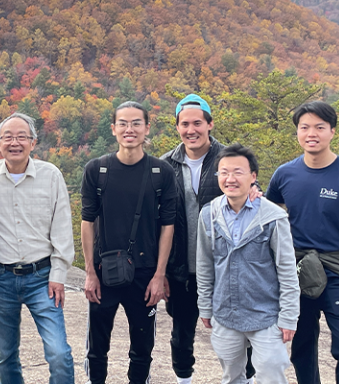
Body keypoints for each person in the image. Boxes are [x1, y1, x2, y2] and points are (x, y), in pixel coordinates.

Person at [265, 101, 339, 384]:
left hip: (338, 271)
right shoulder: (285, 174)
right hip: (297, 270)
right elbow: (267, 217)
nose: (311, 133)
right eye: (304, 127)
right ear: (298, 132)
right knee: (302, 346)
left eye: (319, 127)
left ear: (332, 131)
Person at [159, 94, 257, 383]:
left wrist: (255, 190)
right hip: (180, 269)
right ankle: (184, 379)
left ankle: (246, 379)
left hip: (225, 268)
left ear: (210, 124)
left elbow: (251, 189)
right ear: (177, 127)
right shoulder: (164, 166)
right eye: (185, 124)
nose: (192, 130)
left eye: (198, 123)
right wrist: (159, 271)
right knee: (181, 335)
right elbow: (156, 223)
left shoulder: (228, 160)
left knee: (240, 335)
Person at [81, 101, 178, 384]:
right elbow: (87, 222)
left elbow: (167, 226)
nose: (129, 129)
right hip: (104, 271)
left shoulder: (161, 173)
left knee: (142, 349)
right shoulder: (97, 170)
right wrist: (89, 272)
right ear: (113, 129)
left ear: (147, 128)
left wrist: (160, 275)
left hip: (145, 274)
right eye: (122, 123)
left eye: (136, 123)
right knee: (97, 348)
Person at [0, 113, 75, 384]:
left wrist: (59, 273)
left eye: (22, 137)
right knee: (5, 355)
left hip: (42, 277)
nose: (15, 142)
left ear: (33, 143)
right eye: (8, 137)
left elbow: (62, 226)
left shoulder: (50, 175)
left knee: (58, 352)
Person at [196, 144, 300, 384]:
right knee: (231, 376)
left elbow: (287, 270)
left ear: (253, 176)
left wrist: (288, 316)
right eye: (223, 172)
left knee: (271, 373)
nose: (230, 179)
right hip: (225, 313)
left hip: (266, 315)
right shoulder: (209, 214)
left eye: (238, 172)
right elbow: (204, 264)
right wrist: (205, 306)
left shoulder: (273, 217)